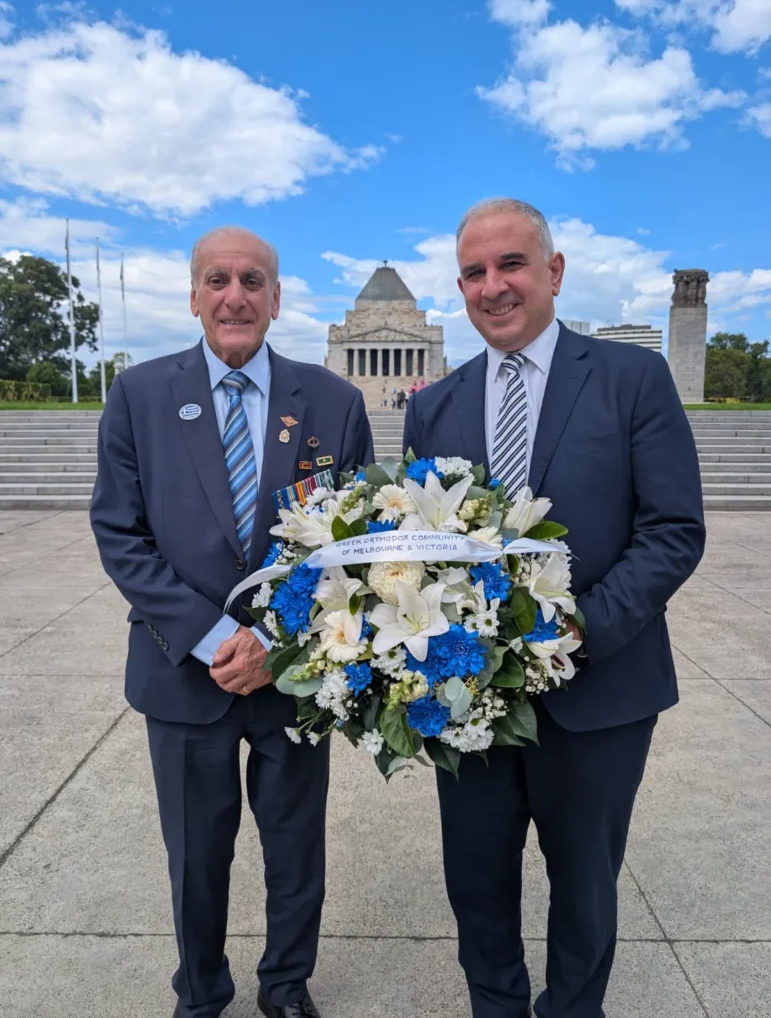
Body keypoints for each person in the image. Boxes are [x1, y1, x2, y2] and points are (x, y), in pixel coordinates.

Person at [402, 198, 705, 1018]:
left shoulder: (631, 379)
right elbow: (419, 545)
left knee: (584, 886)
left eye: (511, 264)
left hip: (599, 691)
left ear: (554, 271)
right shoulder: (433, 405)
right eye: (473, 272)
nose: (492, 286)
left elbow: (672, 530)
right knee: (475, 882)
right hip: (466, 696)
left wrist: (578, 630)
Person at [91, 226, 374, 1018]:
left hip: (296, 674)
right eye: (217, 280)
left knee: (296, 850)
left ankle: (285, 986)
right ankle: (201, 992)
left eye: (252, 281)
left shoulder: (333, 402)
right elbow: (121, 533)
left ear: (276, 298)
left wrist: (274, 643)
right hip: (183, 673)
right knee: (195, 856)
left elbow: (353, 544)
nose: (235, 296)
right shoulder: (139, 395)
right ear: (194, 296)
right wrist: (218, 639)